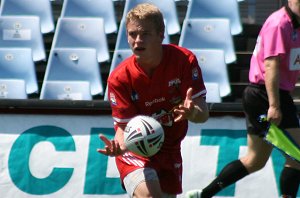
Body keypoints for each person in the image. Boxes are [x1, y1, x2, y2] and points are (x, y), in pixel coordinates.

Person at [186, 0, 300, 197]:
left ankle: (203, 195)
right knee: (297, 156)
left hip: (269, 96)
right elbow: (271, 65)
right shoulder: (279, 23)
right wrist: (274, 105)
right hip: (265, 97)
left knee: (255, 160)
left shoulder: (295, 24)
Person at [97, 3, 209, 198]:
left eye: (145, 34)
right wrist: (120, 146)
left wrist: (192, 113)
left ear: (161, 34)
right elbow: (123, 129)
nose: (137, 40)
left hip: (170, 150)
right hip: (136, 151)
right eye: (132, 34)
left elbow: (203, 114)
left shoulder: (183, 60)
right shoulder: (119, 78)